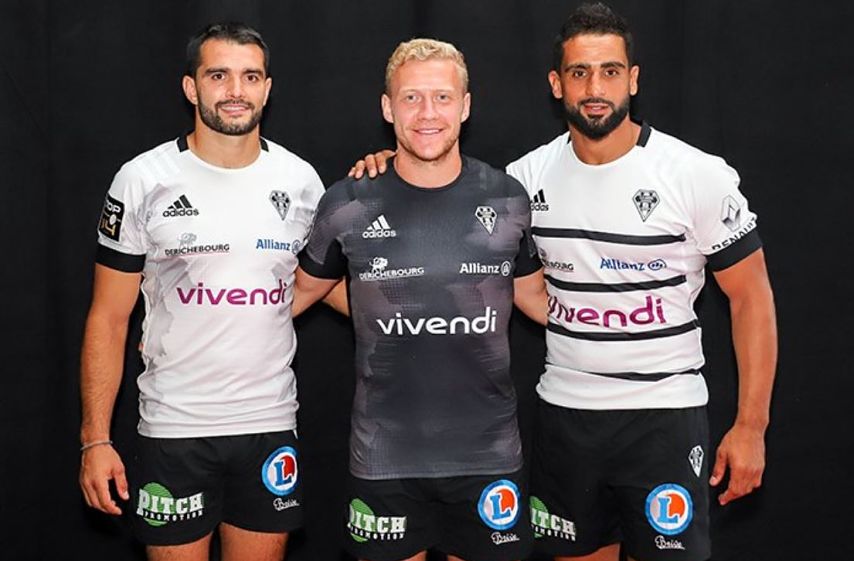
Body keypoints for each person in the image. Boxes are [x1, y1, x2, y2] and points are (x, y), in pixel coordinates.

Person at [350, 4, 777, 561]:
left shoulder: (694, 174)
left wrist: (751, 425)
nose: (595, 88)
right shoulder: (523, 182)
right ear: (557, 84)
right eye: (579, 72)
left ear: (633, 79)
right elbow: (445, 207)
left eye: (610, 71)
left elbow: (751, 298)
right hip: (565, 415)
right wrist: (393, 166)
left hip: (665, 416)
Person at [292, 39, 546, 561]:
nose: (427, 113)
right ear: (388, 108)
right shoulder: (347, 203)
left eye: (442, 97)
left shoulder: (508, 198)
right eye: (411, 98)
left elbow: (536, 299)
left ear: (465, 106)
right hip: (385, 459)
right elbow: (294, 295)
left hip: (488, 457)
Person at [78, 22, 324, 561]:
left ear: (267, 88)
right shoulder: (142, 179)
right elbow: (108, 318)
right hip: (174, 428)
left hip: (269, 425)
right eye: (219, 75)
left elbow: (324, 283)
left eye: (250, 77)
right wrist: (95, 438)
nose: (236, 90)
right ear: (191, 87)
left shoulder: (302, 181)